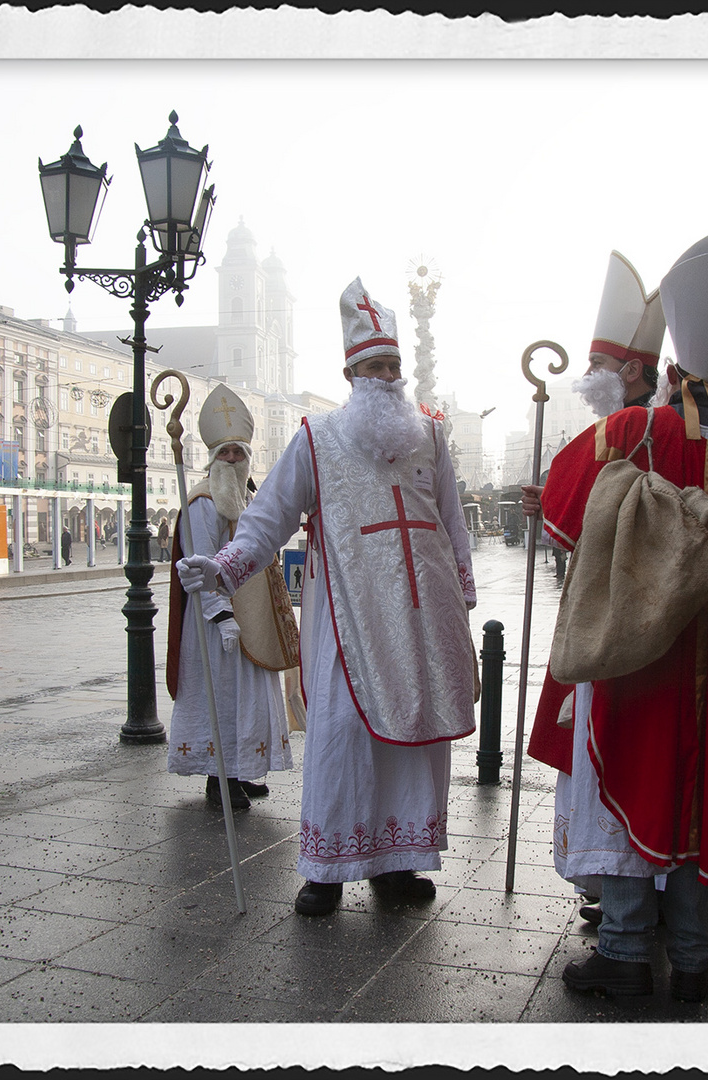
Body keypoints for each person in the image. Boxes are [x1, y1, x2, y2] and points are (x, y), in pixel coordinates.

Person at [530, 228, 708, 1002]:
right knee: (706, 793)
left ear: (670, 368)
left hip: (636, 662)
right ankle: (693, 961)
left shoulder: (629, 434)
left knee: (626, 779)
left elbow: (561, 517)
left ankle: (627, 950)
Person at [178, 277, 479, 917]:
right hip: (349, 619)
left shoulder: (430, 436)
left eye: (394, 366)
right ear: (351, 373)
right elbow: (269, 515)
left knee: (415, 742)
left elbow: (452, 519)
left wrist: (463, 590)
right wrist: (226, 566)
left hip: (424, 621)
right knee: (343, 733)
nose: (388, 376)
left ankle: (399, 863)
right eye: (375, 366)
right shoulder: (318, 437)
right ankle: (327, 871)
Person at [521, 251, 669, 931]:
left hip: (611, 623)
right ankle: (646, 892)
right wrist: (549, 498)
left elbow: (568, 499)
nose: (589, 380)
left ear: (633, 371)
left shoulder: (625, 429)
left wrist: (548, 495)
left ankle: (615, 897)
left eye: (601, 368)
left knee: (603, 752)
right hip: (660, 621)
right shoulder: (673, 429)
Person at [166, 386, 297, 810]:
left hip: (252, 617)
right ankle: (217, 778)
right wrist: (220, 616)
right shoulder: (202, 503)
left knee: (251, 697)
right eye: (225, 454)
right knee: (219, 697)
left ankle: (242, 769)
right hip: (214, 623)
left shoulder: (248, 499)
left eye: (239, 453)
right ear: (212, 457)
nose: (233, 461)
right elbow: (198, 563)